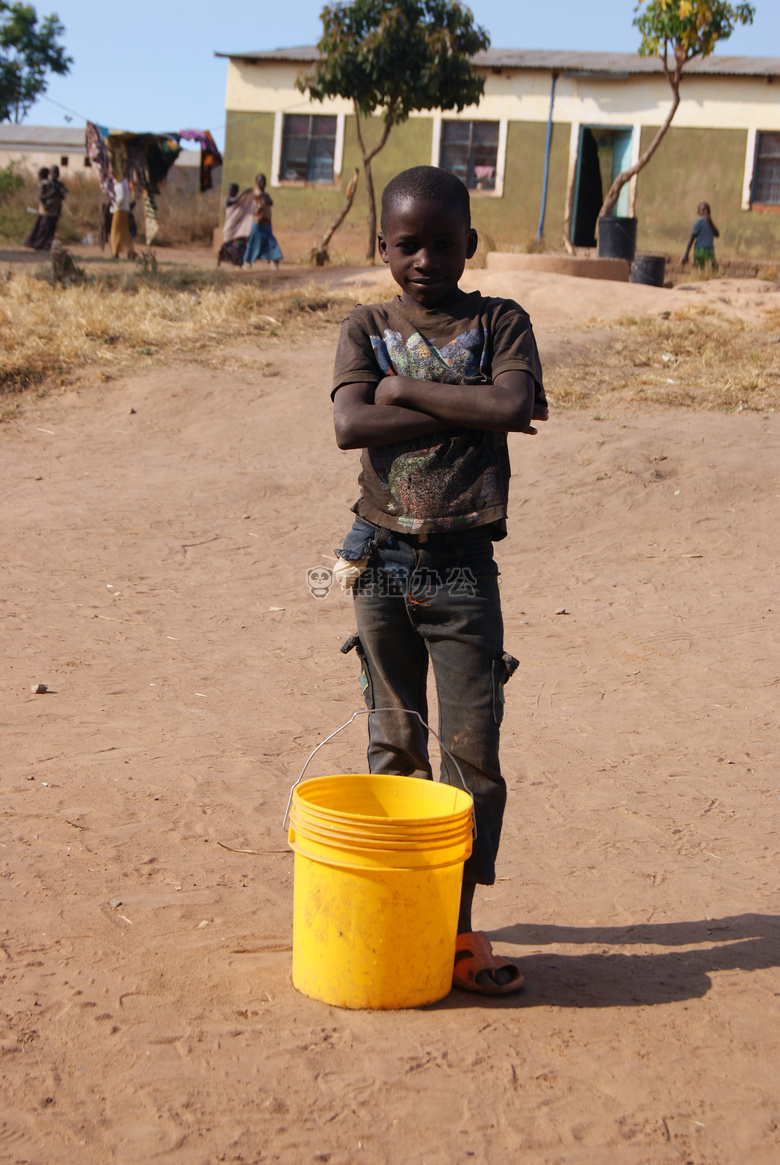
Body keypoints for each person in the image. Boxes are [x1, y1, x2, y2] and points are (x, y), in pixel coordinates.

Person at [330, 166, 548, 996]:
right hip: (377, 560)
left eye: (444, 243)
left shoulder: (501, 321)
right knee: (394, 743)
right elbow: (351, 424)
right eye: (407, 244)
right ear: (381, 245)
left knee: (471, 755)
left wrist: (406, 390)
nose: (425, 259)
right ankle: (398, 905)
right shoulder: (365, 324)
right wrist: (472, 402)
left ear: (471, 244)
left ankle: (455, 925)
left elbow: (512, 403)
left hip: (464, 568)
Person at [242, 173, 282, 270]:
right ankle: (247, 263)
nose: (261, 183)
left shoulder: (265, 194)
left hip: (266, 223)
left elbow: (269, 202)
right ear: (256, 182)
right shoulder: (255, 193)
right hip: (257, 224)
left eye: (263, 181)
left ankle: (273, 262)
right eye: (259, 181)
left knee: (271, 243)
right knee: (253, 243)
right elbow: (265, 200)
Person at [24, 165, 66, 251]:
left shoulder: (59, 185)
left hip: (55, 210)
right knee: (43, 229)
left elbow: (63, 197)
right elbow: (41, 197)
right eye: (53, 172)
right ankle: (37, 245)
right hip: (45, 210)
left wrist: (61, 193)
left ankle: (46, 246)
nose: (55, 175)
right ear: (50, 174)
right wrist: (51, 193)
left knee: (51, 230)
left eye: (57, 173)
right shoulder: (46, 184)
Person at [218, 182, 254, 267]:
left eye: (232, 190)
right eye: (229, 190)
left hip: (238, 228)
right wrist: (245, 192)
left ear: (236, 191)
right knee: (226, 244)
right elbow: (235, 200)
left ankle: (239, 262)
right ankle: (219, 261)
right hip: (230, 227)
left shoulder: (240, 202)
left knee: (240, 245)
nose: (230, 192)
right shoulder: (228, 200)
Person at [682, 201, 719, 272]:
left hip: (710, 250)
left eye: (708, 209)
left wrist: (710, 221)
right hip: (700, 250)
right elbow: (691, 239)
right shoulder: (698, 223)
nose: (706, 211)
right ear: (698, 212)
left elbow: (717, 234)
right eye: (704, 209)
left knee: (713, 269)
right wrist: (686, 254)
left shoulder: (710, 223)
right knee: (699, 270)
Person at [110, 175, 136, 260]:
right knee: (124, 232)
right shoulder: (124, 181)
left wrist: (114, 206)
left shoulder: (119, 183)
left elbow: (120, 197)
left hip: (119, 210)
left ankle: (115, 252)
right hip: (125, 209)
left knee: (115, 232)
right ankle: (130, 251)